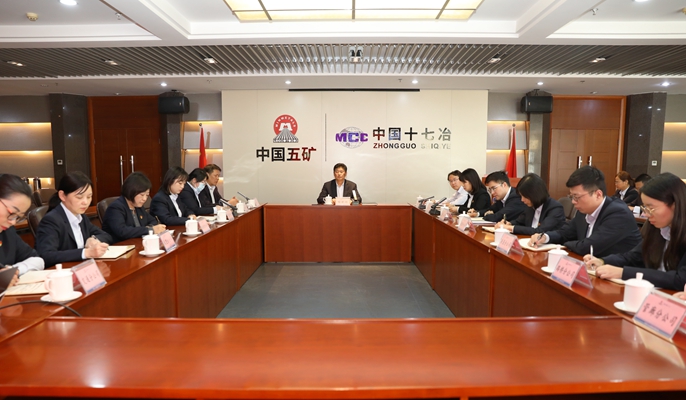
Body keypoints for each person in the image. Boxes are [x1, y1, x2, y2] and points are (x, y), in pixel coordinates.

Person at [584, 173, 686, 291]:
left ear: (675, 205)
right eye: (645, 208)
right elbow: (634, 257)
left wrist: (623, 273)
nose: (646, 214)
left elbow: (680, 279)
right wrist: (602, 261)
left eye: (651, 208)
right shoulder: (657, 227)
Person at [527, 166, 641, 257]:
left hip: (617, 273)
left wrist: (564, 245)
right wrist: (545, 237)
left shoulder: (618, 214)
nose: (573, 201)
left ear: (598, 194)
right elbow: (565, 233)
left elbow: (588, 247)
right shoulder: (583, 211)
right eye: (571, 196)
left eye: (576, 197)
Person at [35, 172, 112, 267]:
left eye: (89, 197)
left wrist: (93, 239)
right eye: (79, 197)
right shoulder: (51, 220)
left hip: (82, 268)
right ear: (62, 196)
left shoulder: (81, 216)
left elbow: (106, 235)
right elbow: (46, 255)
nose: (85, 202)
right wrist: (85, 253)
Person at [0, 174, 44, 285]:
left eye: (18, 217)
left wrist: (13, 271)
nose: (13, 222)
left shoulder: (7, 232)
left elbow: (37, 260)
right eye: (12, 213)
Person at [102, 172, 166, 243]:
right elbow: (122, 231)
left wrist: (149, 228)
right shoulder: (115, 208)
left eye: (147, 195)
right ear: (131, 191)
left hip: (138, 243)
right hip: (120, 246)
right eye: (142, 195)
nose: (144, 199)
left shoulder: (138, 207)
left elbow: (153, 221)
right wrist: (150, 230)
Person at [495, 173, 565, 235]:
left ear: (535, 194)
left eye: (525, 196)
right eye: (521, 196)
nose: (522, 200)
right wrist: (508, 223)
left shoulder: (555, 208)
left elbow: (540, 231)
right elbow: (519, 222)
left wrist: (510, 228)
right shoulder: (530, 207)